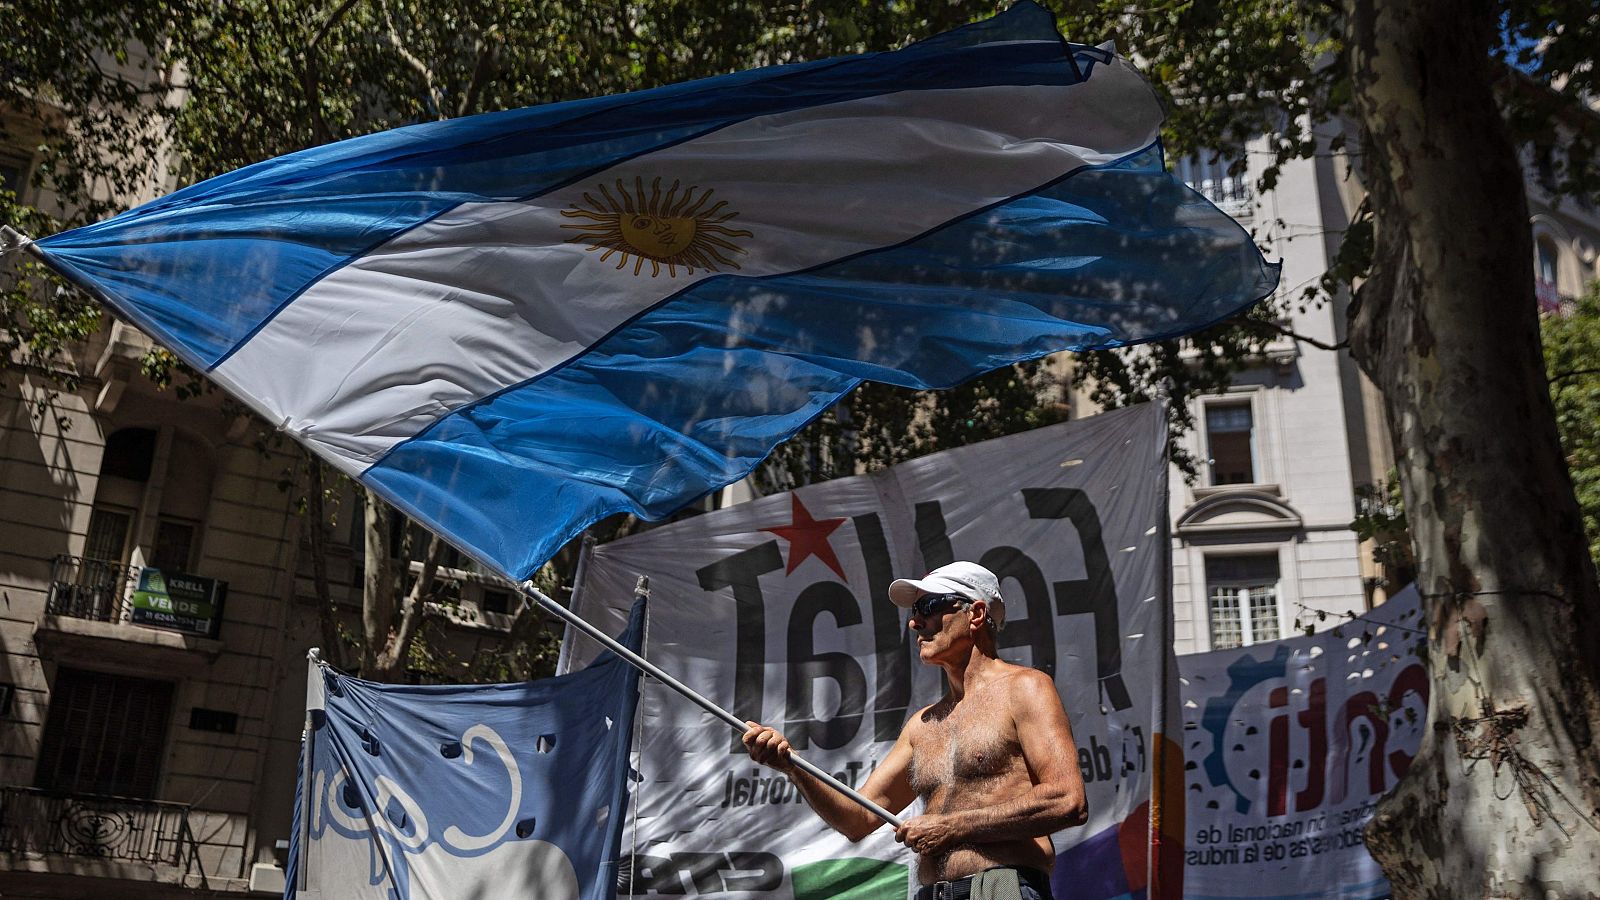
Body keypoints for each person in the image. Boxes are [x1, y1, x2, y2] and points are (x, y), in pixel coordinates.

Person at [743, 561, 1086, 900]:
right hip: (931, 893)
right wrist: (792, 766)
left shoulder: (1025, 688)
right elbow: (858, 819)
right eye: (914, 610)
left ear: (976, 614)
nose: (914, 621)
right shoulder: (923, 725)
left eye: (929, 606)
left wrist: (953, 827)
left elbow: (1068, 801)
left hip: (999, 888)